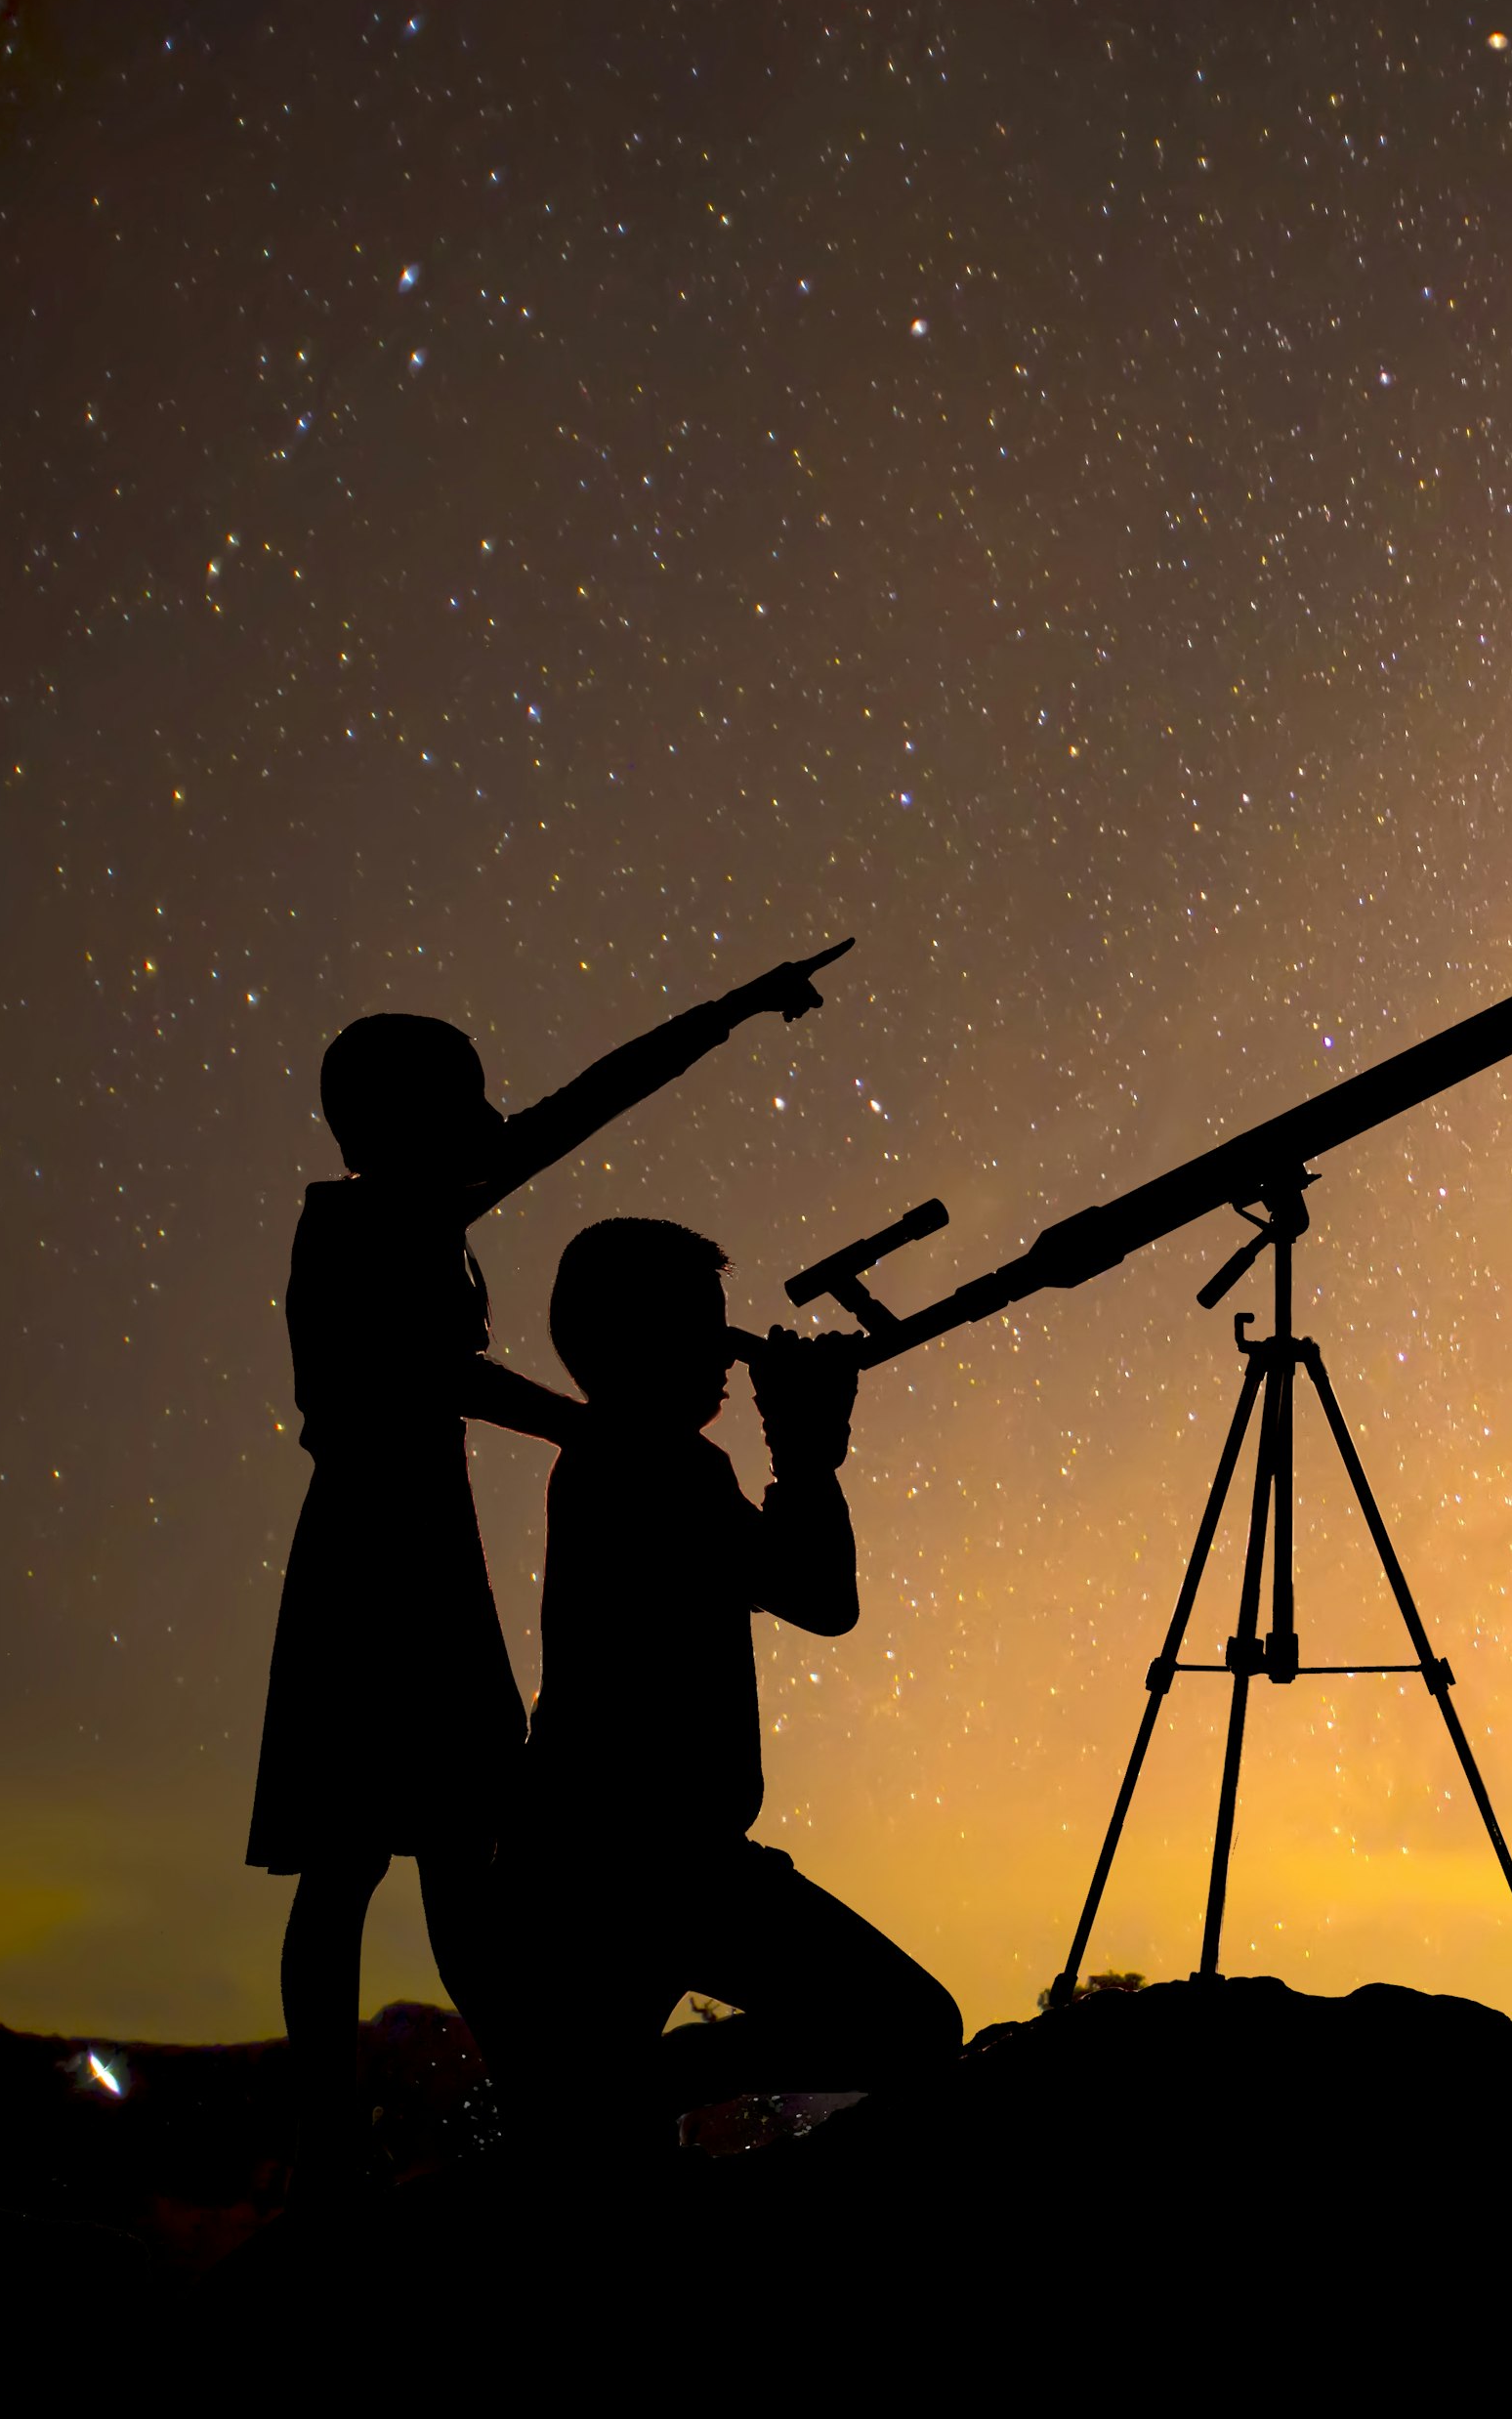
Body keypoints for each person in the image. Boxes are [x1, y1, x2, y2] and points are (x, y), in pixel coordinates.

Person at [248, 943, 850, 2199]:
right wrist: (594, 1427)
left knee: (461, 1849)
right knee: (353, 1858)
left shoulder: (428, 1214)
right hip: (371, 1550)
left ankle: (533, 2099)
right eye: (464, 1092)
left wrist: (727, 1015)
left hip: (429, 1539)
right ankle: (329, 2138)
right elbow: (433, 1371)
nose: (489, 1112)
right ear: (400, 1113)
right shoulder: (354, 1228)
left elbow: (587, 1102)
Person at [500, 1214, 964, 2159]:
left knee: (594, 2137)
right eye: (704, 1326)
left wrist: (804, 1457)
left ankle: (647, 2084)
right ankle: (665, 2077)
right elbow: (823, 1598)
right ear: (645, 1338)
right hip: (652, 1865)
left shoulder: (613, 1461)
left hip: (600, 1858)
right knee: (909, 2024)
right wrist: (805, 1459)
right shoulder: (661, 1467)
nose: (726, 1349)